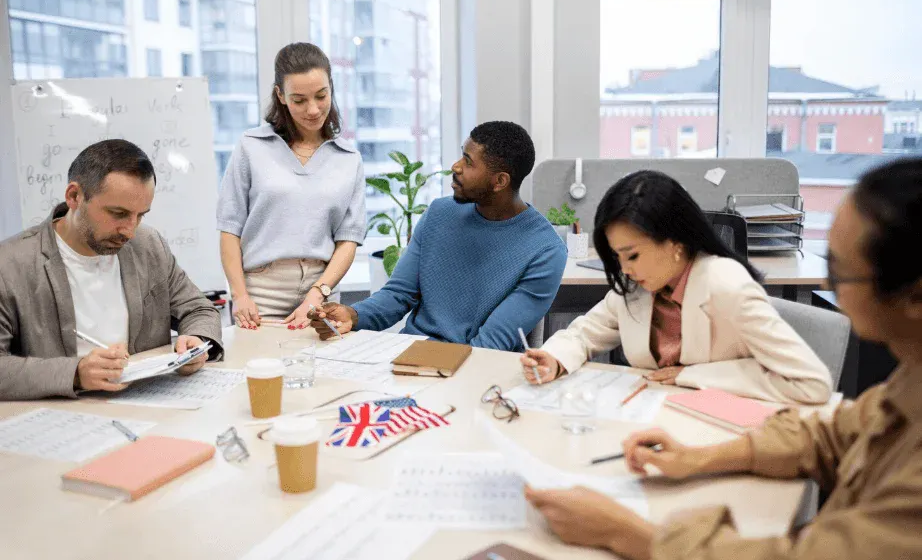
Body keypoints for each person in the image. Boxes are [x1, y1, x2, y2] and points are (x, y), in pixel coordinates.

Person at [524, 157, 922, 560]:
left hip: (714, 426)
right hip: (676, 429)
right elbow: (831, 437)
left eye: (839, 271)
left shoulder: (724, 284)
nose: (827, 285)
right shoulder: (907, 384)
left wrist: (625, 532)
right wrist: (697, 459)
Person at [520, 170, 831, 404]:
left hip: (724, 429)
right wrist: (554, 359)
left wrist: (692, 375)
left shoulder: (728, 287)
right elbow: (585, 334)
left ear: (676, 244)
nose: (624, 270)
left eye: (633, 255)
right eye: (617, 257)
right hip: (660, 417)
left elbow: (812, 382)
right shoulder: (639, 287)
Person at [310, 121, 567, 352]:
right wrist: (352, 315)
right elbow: (398, 294)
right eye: (462, 154)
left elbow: (490, 345)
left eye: (468, 162)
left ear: (499, 181)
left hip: (474, 370)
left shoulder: (545, 250)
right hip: (410, 357)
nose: (456, 166)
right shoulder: (440, 213)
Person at [0, 139, 223, 401]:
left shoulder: (148, 245)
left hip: (149, 403)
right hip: (64, 409)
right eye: (118, 213)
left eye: (141, 215)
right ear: (74, 196)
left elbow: (198, 309)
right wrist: (75, 373)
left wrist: (195, 341)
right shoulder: (11, 264)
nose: (130, 231)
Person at [217, 42, 365, 330]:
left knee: (323, 360)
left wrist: (318, 293)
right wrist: (240, 295)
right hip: (261, 293)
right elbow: (229, 228)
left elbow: (348, 239)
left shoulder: (349, 158)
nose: (313, 109)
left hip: (321, 291)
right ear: (280, 96)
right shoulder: (251, 147)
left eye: (321, 96)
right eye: (299, 100)